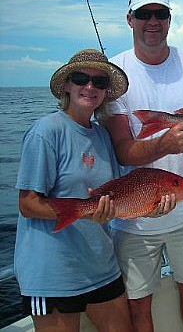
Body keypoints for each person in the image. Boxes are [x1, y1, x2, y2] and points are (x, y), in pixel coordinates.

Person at [102, 0, 183, 332]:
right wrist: (165, 144)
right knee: (138, 301)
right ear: (130, 20)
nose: (152, 21)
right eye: (144, 14)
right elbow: (123, 149)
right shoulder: (115, 73)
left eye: (160, 13)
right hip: (134, 215)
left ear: (170, 19)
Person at [14, 49, 134, 331]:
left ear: (106, 92)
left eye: (99, 82)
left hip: (100, 267)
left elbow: (113, 197)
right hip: (53, 272)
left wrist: (149, 209)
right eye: (81, 78)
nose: (90, 87)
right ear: (67, 85)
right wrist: (84, 213)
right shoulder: (45, 131)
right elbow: (28, 204)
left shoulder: (103, 135)